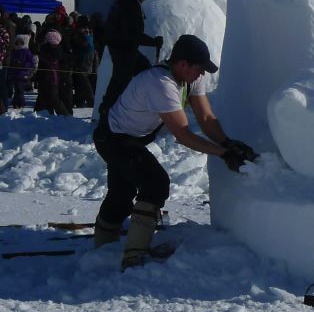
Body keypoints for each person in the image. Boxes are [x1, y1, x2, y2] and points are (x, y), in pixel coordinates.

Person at [92, 35, 257, 270]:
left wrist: (228, 143)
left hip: (132, 139)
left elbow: (207, 118)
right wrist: (223, 153)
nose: (201, 75)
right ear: (182, 64)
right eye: (199, 69)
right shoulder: (160, 83)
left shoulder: (190, 78)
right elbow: (184, 134)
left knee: (122, 192)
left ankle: (104, 244)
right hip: (113, 138)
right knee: (155, 183)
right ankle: (133, 254)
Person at [100, 0, 163, 114]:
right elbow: (131, 33)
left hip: (125, 47)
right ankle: (107, 111)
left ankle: (137, 105)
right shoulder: (128, 4)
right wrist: (153, 42)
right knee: (121, 80)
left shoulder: (129, 1)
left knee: (143, 71)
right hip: (122, 48)